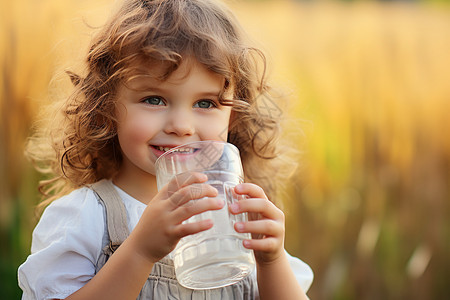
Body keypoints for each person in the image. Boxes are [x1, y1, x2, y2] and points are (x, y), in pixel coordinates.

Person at [18, 0, 313, 299]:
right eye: (154, 99)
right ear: (106, 108)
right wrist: (139, 252)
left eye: (206, 103)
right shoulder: (86, 218)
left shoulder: (234, 216)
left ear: (231, 118)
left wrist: (271, 261)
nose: (182, 126)